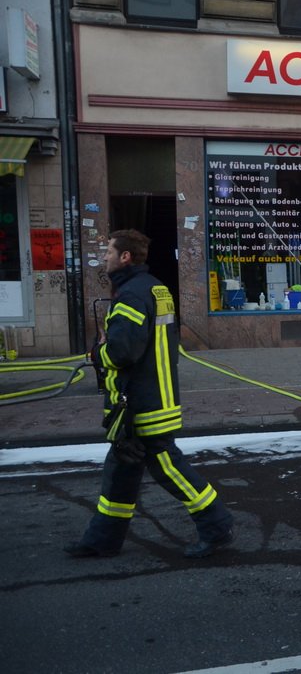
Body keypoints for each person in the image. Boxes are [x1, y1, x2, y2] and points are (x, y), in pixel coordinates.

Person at [65, 229, 234, 559]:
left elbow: (123, 353)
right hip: (151, 397)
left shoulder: (130, 295)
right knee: (121, 470)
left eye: (110, 252)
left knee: (167, 468)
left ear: (125, 256)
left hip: (143, 403)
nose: (105, 257)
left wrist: (97, 354)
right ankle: (102, 539)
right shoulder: (155, 288)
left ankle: (217, 526)